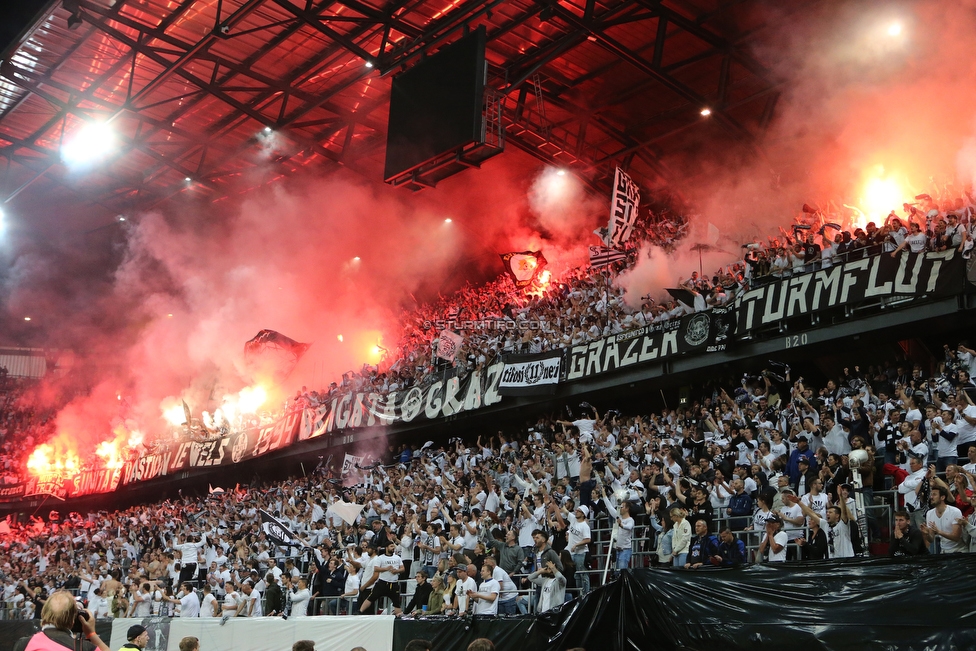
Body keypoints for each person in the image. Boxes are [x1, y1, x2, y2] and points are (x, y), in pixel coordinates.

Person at [12, 590, 110, 651]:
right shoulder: (84, 648)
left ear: (43, 614)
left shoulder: (24, 644)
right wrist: (91, 634)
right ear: (73, 619)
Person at [360, 542, 404, 615]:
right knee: (371, 597)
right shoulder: (381, 557)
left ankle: (399, 617)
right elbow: (376, 569)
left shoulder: (397, 557)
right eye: (391, 546)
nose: (393, 548)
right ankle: (360, 611)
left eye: (393, 546)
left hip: (393, 583)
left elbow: (402, 569)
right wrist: (386, 569)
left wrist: (397, 571)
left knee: (396, 602)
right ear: (387, 547)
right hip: (382, 582)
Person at [922, 485, 965, 553]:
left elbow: (956, 537)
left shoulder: (955, 511)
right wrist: (926, 534)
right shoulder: (929, 513)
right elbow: (931, 539)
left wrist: (939, 532)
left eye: (934, 495)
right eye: (931, 495)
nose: (931, 497)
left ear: (942, 497)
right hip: (944, 551)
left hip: (958, 550)